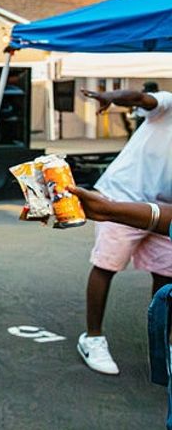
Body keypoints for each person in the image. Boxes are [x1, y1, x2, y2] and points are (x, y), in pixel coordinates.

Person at [76, 85, 172, 375]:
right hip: (123, 194)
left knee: (166, 275)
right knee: (107, 265)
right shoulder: (169, 104)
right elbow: (141, 98)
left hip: (165, 208)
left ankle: (163, 341)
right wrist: (112, 97)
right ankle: (92, 338)